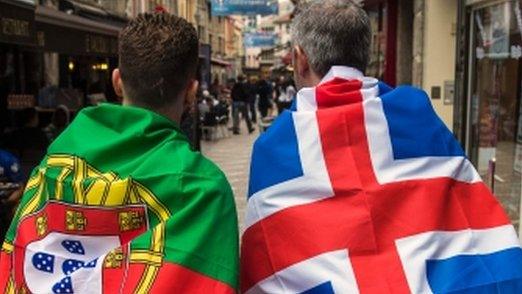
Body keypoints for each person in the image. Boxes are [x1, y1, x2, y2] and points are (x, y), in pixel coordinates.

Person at [241, 1, 522, 293]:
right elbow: (470, 218)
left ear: (299, 59)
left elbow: (268, 257)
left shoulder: (274, 147)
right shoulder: (417, 114)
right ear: (365, 53)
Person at [0, 13, 238, 293]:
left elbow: (16, 260)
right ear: (191, 92)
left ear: (116, 82)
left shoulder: (53, 166)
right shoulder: (204, 188)